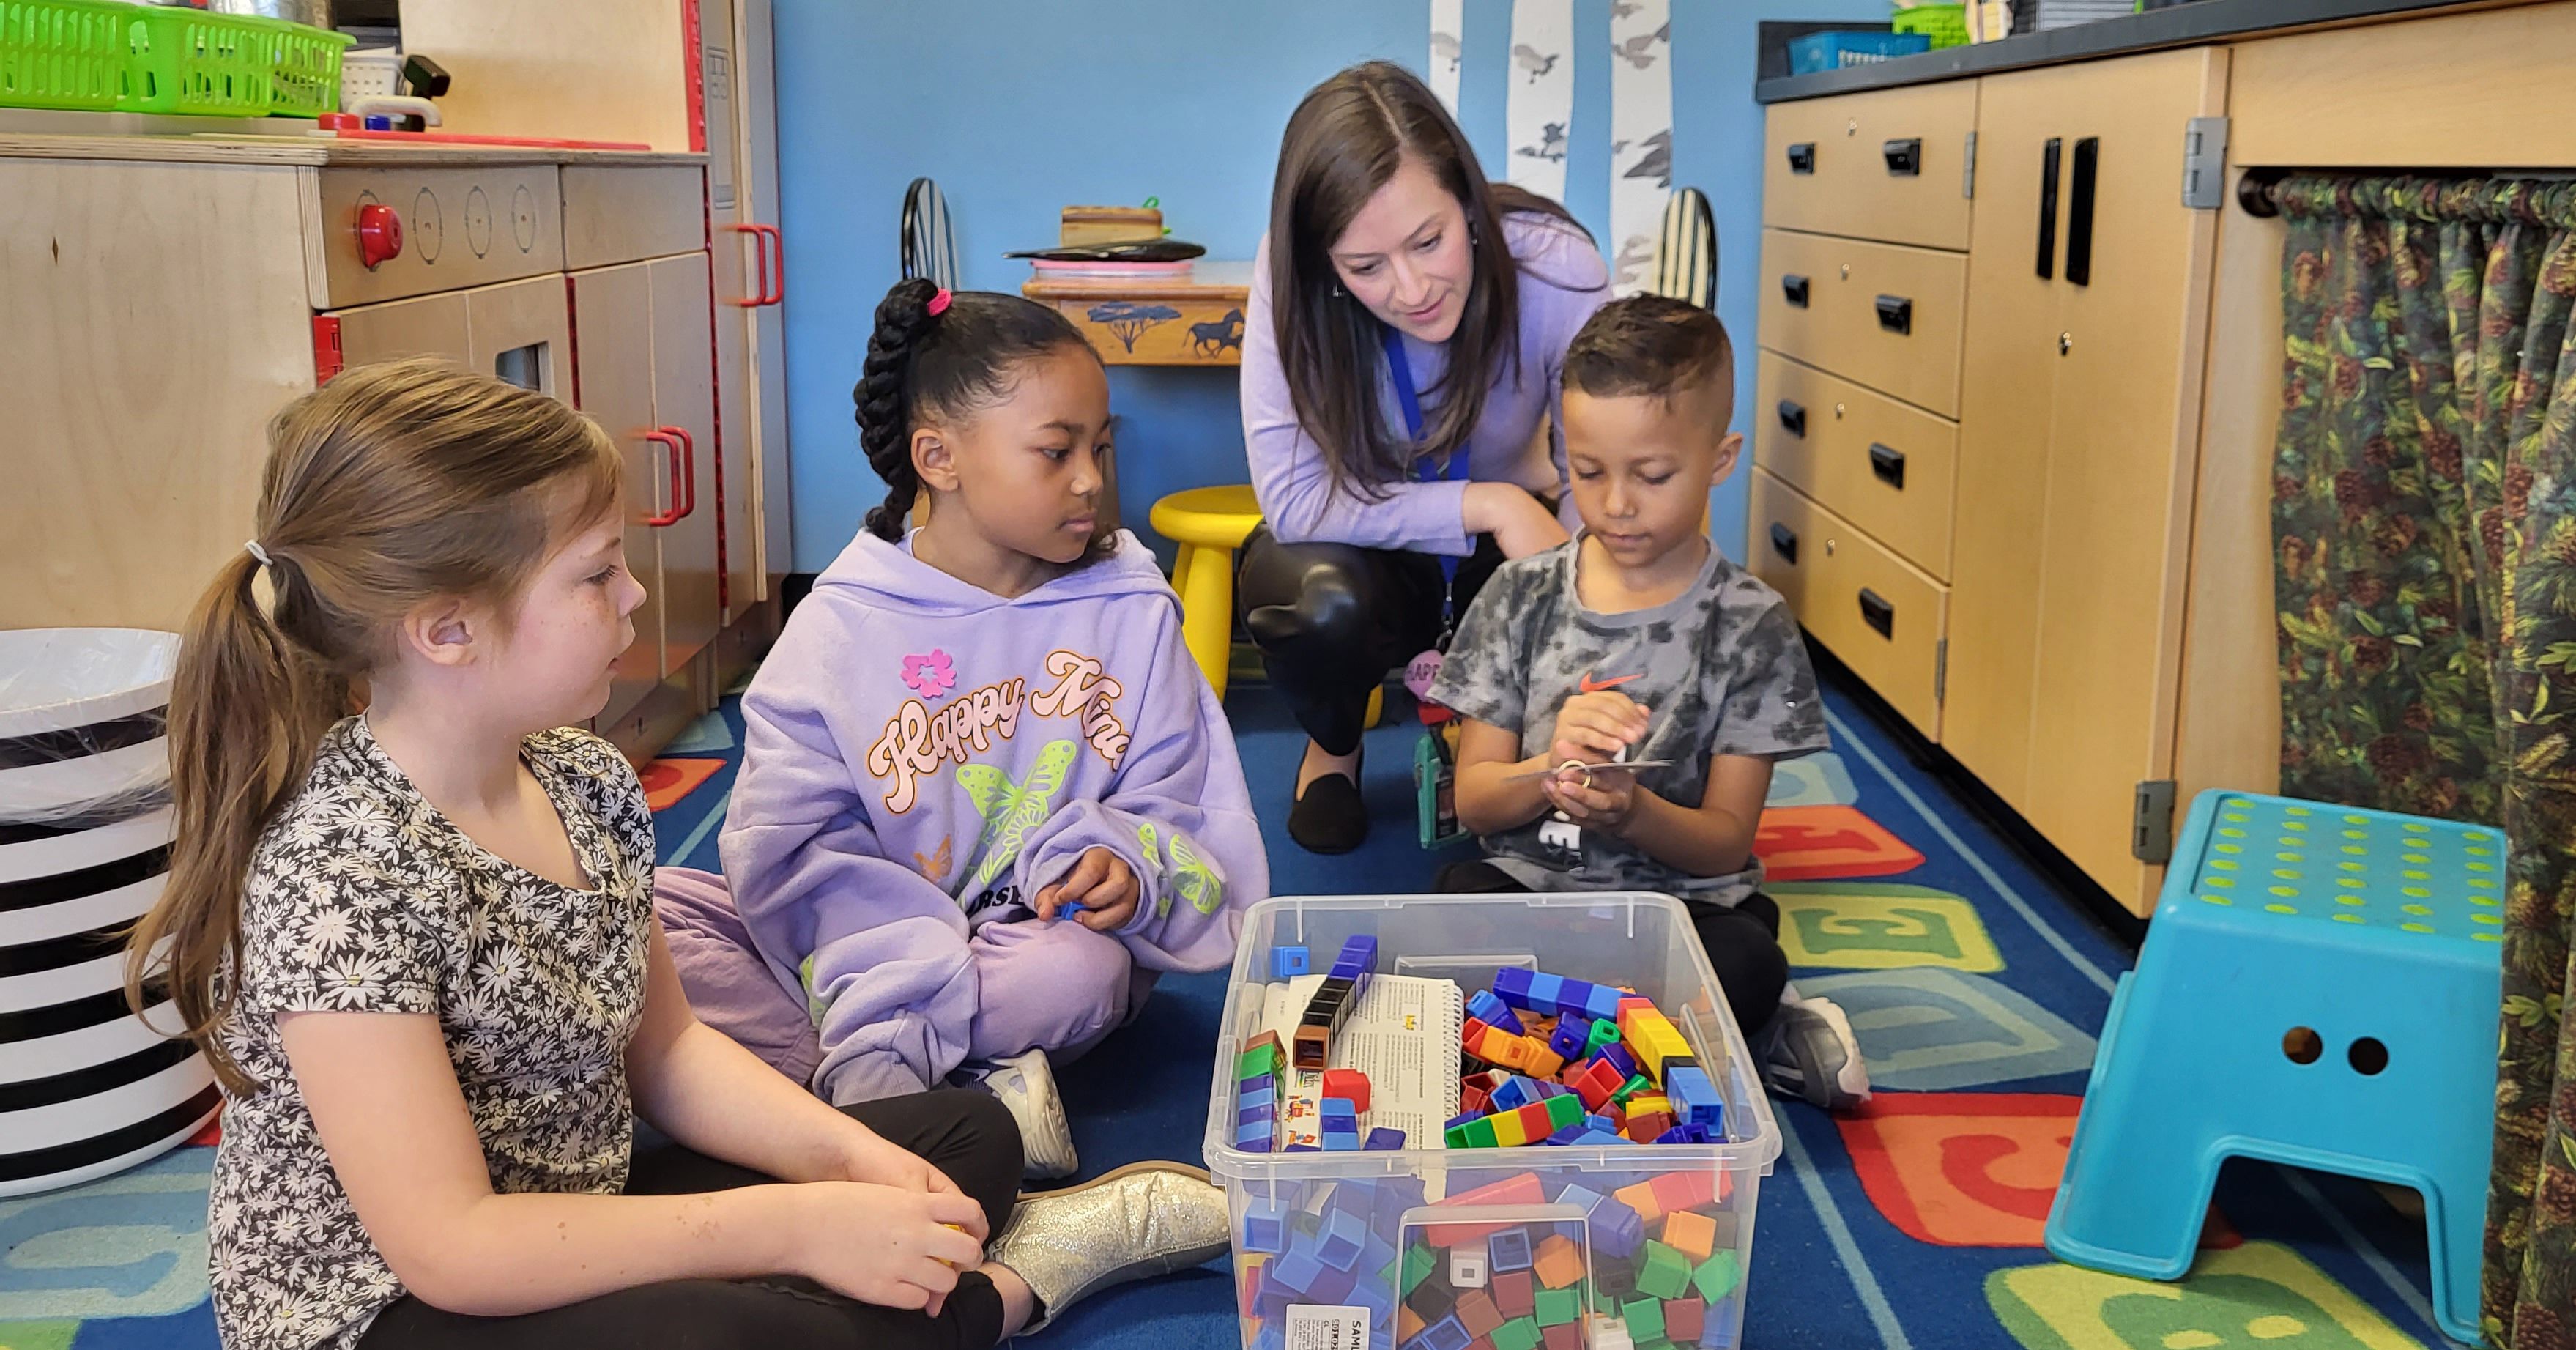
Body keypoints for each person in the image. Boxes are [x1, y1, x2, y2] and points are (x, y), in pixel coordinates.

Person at [125, 360, 1227, 1350]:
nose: (636, 594)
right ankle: (1009, 1286)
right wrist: (795, 1218)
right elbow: (450, 1246)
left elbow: (670, 1054)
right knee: (732, 1325)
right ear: (447, 628)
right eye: (596, 574)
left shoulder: (581, 772)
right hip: (399, 1306)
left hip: (571, 1205)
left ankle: (921, 1259)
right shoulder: (340, 872)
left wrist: (852, 1170)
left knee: (961, 1133)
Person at [660, 279, 1267, 1181]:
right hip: (863, 957)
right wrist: (897, 950)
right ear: (938, 458)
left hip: (1033, 946)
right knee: (644, 926)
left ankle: (852, 1096)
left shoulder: (1129, 605)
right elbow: (792, 845)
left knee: (1080, 975)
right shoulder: (838, 627)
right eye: (1055, 452)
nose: (1092, 480)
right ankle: (962, 1090)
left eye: (1100, 447)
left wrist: (1120, 861)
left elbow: (1176, 792)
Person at [1425, 297, 1872, 1110]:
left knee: (1747, 962)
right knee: (1448, 918)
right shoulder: (1520, 595)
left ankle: (1594, 1052)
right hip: (1532, 891)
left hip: (1680, 912)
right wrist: (1546, 766)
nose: (1617, 504)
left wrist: (1631, 812)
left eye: (1653, 475)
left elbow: (1722, 845)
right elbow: (1475, 801)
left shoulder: (1750, 625)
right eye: (1589, 472)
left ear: (1720, 458)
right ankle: (1665, 1057)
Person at [1238, 59, 1612, 854]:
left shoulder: (1556, 267)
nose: (1410, 289)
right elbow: (1295, 501)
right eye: (1364, 268)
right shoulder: (1285, 279)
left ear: (1467, 205)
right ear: (1323, 263)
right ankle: (1335, 745)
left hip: (1511, 559)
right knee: (1317, 606)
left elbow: (1594, 464)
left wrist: (1589, 596)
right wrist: (1489, 502)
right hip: (1368, 545)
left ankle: (1488, 745)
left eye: (1429, 241)